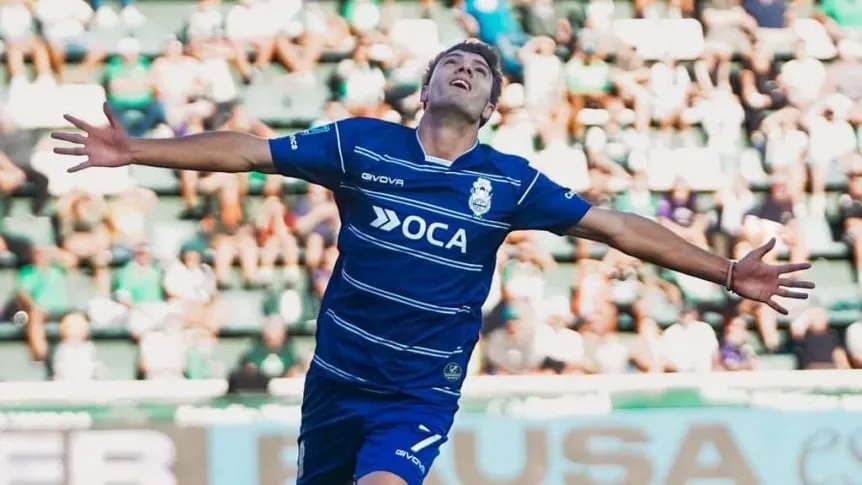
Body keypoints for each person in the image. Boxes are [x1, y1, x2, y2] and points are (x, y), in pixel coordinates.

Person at [51, 39, 814, 485]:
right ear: (425, 88)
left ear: (490, 109)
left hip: (416, 394)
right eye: (451, 62)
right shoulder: (360, 145)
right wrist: (138, 150)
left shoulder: (508, 182)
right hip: (337, 380)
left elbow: (614, 226)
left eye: (478, 71)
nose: (464, 69)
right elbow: (252, 152)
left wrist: (723, 271)